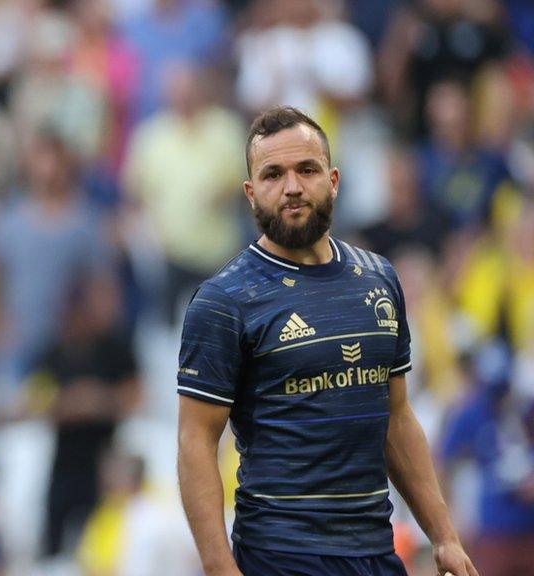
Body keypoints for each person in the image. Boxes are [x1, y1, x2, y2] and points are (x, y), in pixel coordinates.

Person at [176, 106, 478, 576]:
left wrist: (444, 536)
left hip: (375, 551)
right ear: (251, 194)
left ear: (333, 180)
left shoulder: (379, 279)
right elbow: (196, 440)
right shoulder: (224, 300)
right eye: (273, 175)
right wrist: (220, 569)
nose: (292, 187)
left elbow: (397, 419)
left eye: (307, 170)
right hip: (280, 555)